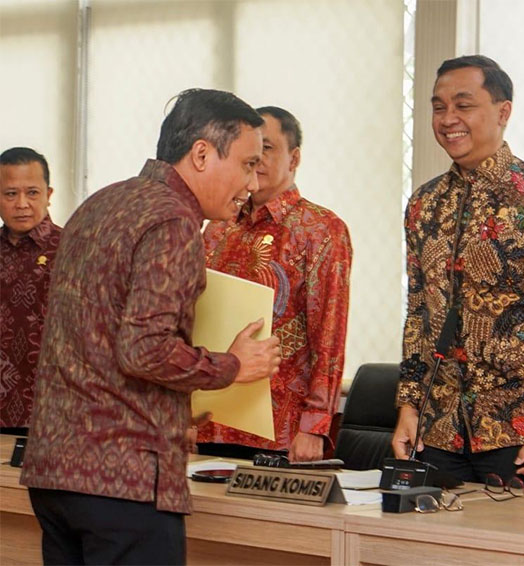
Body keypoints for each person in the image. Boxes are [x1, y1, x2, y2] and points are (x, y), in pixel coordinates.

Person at [20, 88, 282, 565]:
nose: (252, 181)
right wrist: (232, 366)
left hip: (55, 474)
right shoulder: (174, 221)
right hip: (122, 482)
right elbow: (144, 349)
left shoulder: (101, 202)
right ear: (201, 154)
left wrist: (173, 408)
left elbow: (93, 341)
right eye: (247, 164)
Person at [391, 55, 524, 483]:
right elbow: (418, 314)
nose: (448, 119)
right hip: (436, 431)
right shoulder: (425, 204)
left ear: (503, 112)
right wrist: (409, 405)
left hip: (523, 433)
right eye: (438, 107)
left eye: (463, 105)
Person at [198, 106, 352, 462]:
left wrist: (314, 426)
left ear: (294, 158)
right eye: (249, 152)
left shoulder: (321, 229)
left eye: (267, 148)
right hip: (212, 419)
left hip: (281, 428)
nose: (257, 160)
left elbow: (329, 337)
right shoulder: (219, 226)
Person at [0, 147, 61, 435]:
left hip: (54, 415)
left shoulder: (74, 250)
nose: (22, 204)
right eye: (10, 194)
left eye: (32, 193)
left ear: (48, 194)